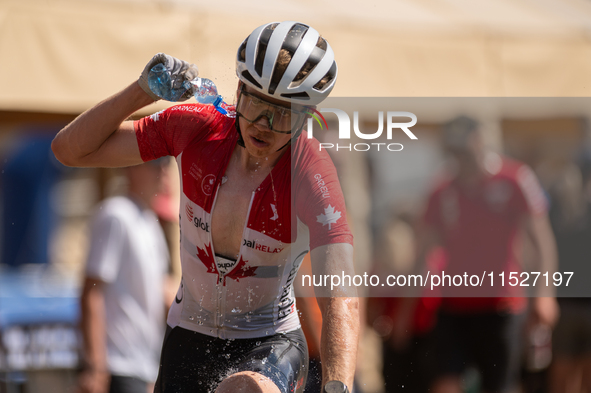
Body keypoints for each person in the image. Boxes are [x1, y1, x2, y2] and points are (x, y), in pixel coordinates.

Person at [52, 21, 359, 393]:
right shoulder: (197, 128)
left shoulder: (311, 174)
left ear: (307, 116)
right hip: (188, 335)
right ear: (239, 90)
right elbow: (69, 150)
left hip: (269, 341)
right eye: (258, 102)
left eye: (284, 113)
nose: (264, 124)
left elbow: (340, 299)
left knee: (243, 390)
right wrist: (140, 92)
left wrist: (337, 386)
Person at [396, 116, 559, 393]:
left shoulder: (514, 179)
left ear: (480, 141)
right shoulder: (442, 191)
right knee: (444, 382)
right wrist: (405, 310)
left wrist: (545, 294)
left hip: (500, 306)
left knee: (501, 384)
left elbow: (541, 241)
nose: (461, 157)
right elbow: (423, 254)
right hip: (453, 306)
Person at [77, 159, 174, 393]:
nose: (163, 168)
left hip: (142, 368)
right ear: (131, 166)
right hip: (116, 366)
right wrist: (96, 367)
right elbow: (91, 292)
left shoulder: (150, 222)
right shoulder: (115, 214)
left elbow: (166, 295)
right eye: (156, 161)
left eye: (166, 161)